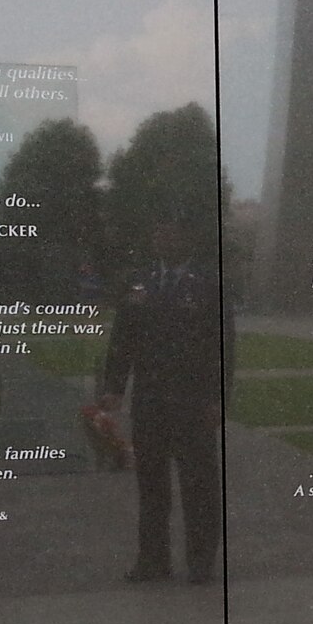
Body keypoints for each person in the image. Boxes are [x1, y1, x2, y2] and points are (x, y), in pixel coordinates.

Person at [102, 218, 223, 584]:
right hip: (150, 400)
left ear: (187, 236)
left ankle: (201, 561)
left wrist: (217, 397)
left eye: (171, 231)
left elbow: (221, 346)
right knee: (151, 485)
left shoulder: (207, 284)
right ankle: (153, 559)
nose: (163, 237)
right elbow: (123, 337)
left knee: (197, 485)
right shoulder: (140, 282)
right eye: (158, 231)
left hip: (192, 401)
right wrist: (114, 386)